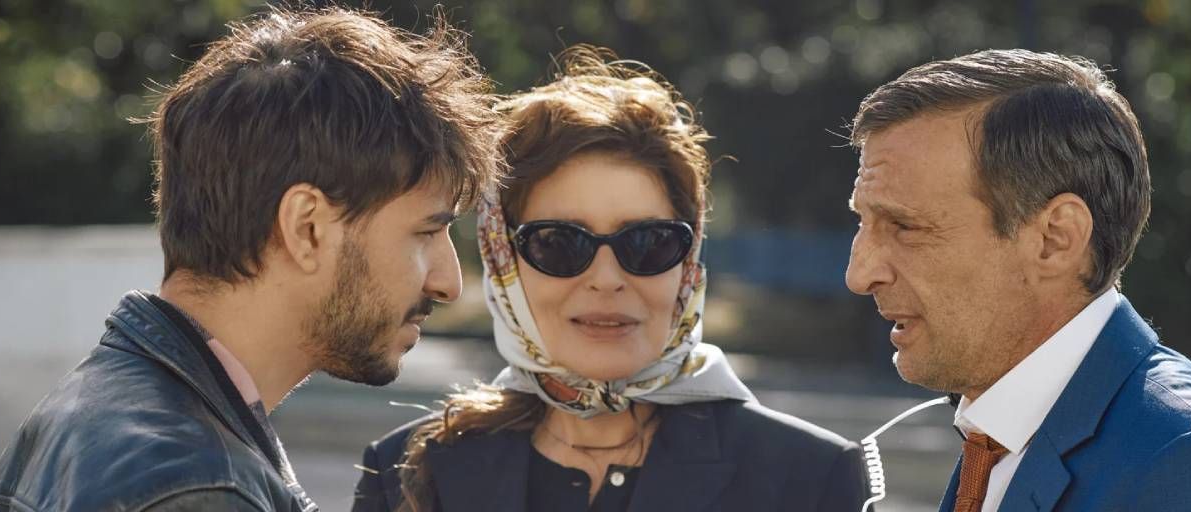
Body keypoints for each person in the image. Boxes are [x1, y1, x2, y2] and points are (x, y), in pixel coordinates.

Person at [0, 6, 501, 512]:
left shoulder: (93, 408)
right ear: (307, 228)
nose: (448, 283)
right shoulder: (196, 489)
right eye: (427, 232)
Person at [351, 46, 867, 512]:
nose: (606, 278)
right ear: (502, 260)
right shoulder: (409, 473)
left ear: (689, 266)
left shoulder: (810, 479)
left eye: (648, 242)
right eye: (558, 243)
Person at [846, 48, 1191, 512]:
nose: (860, 274)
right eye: (864, 222)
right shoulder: (997, 436)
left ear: (1056, 238)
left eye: (905, 227)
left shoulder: (1189, 462)